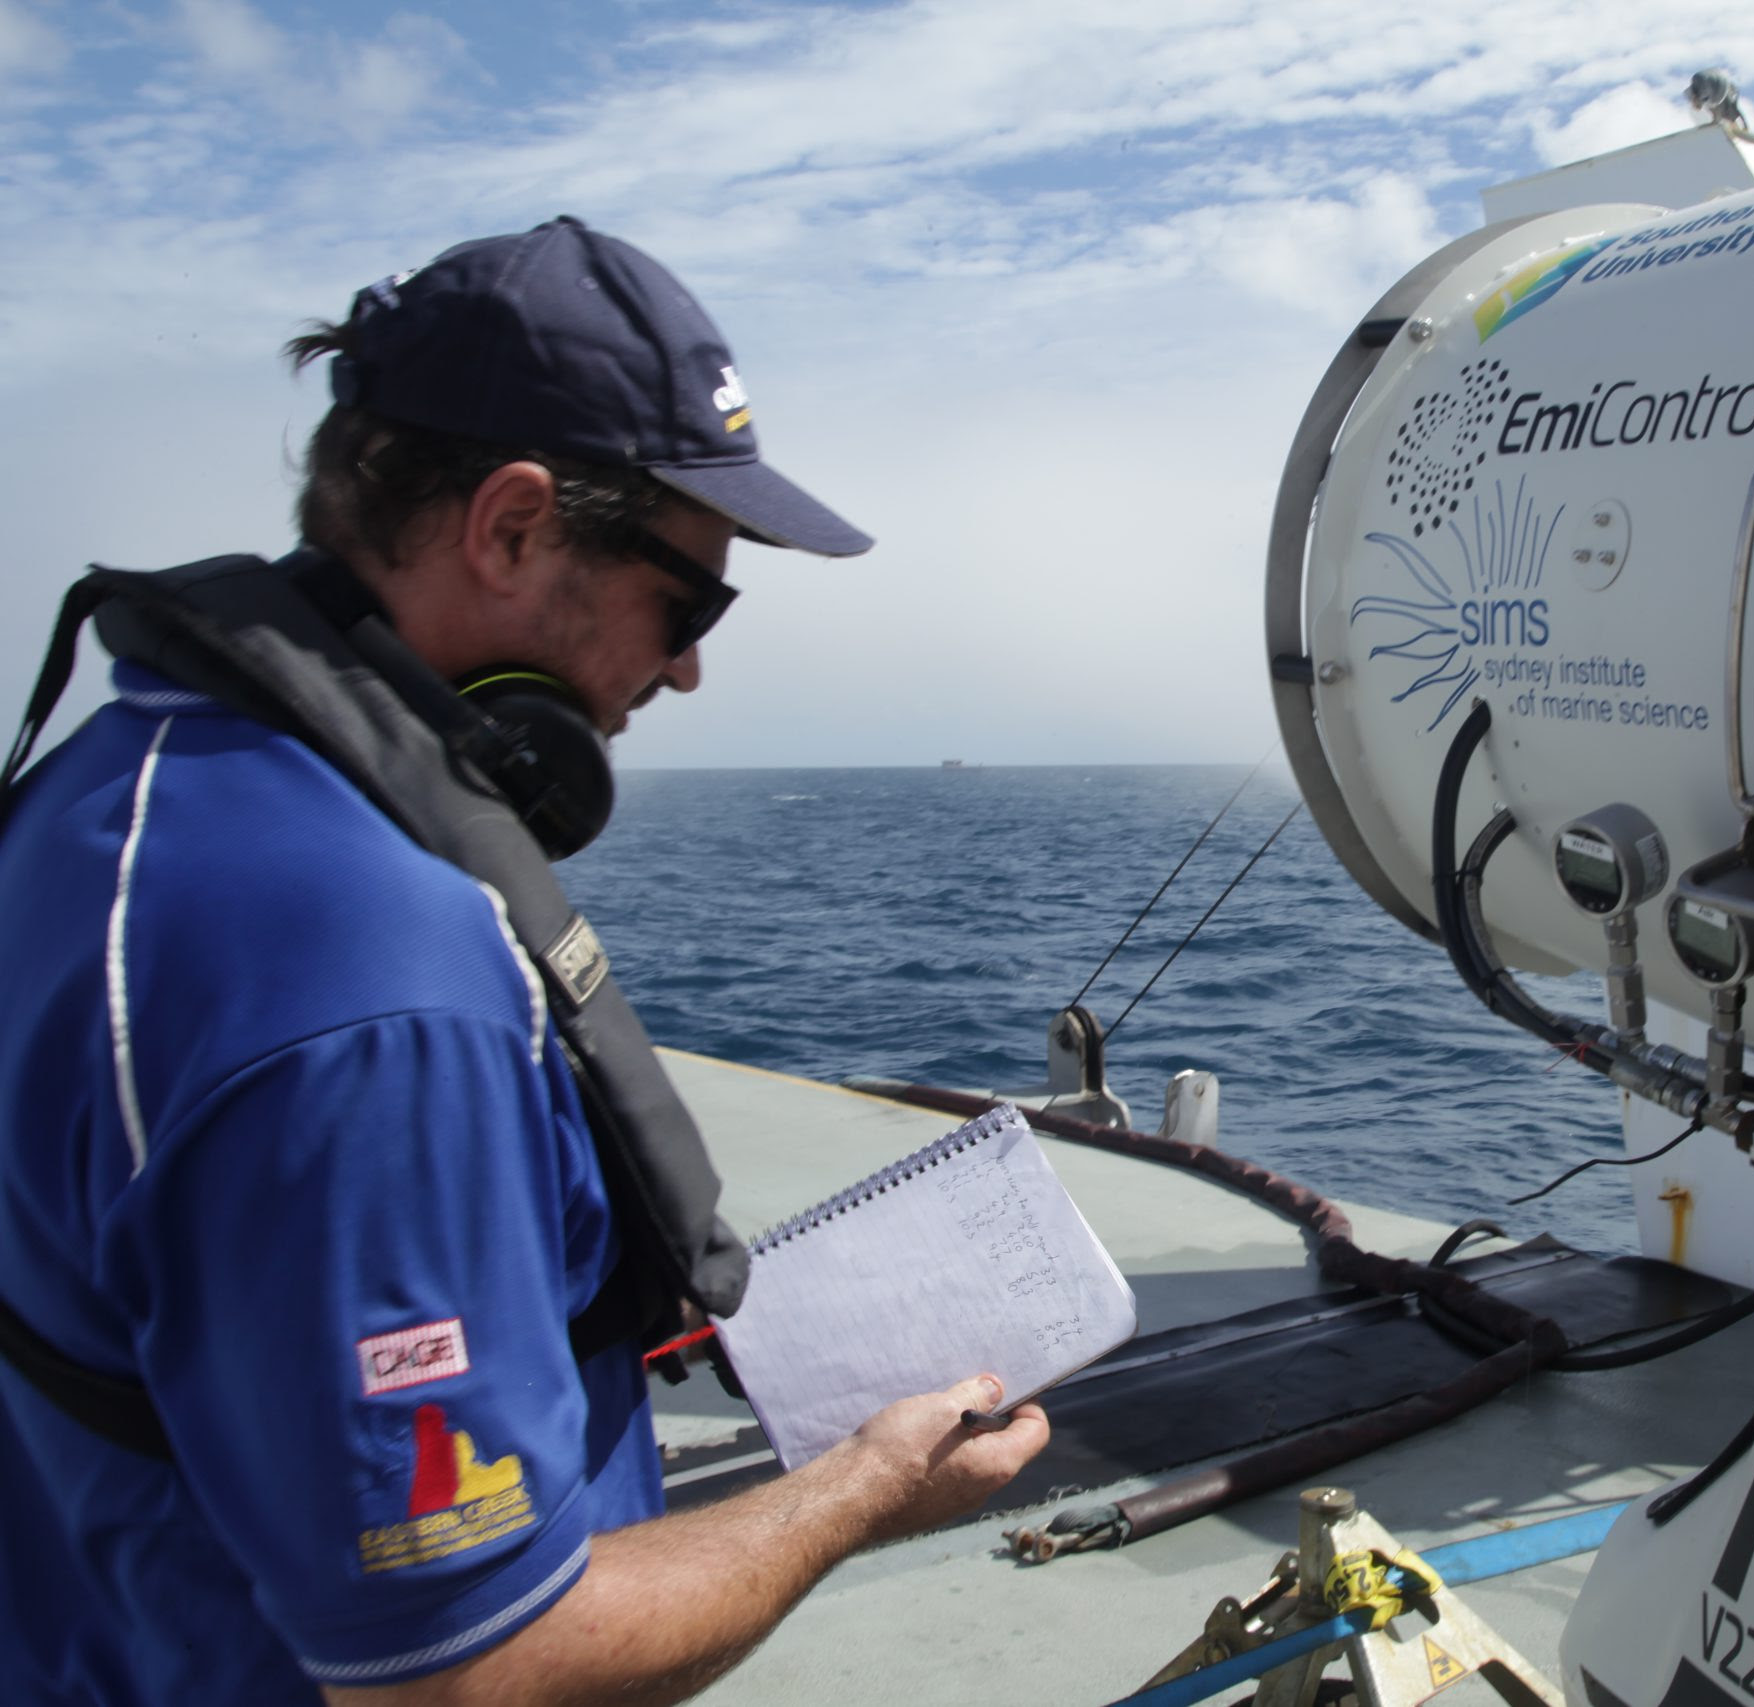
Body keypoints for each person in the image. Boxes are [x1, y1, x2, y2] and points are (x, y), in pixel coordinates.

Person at [0, 216, 1050, 1704]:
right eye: (687, 600)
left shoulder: (102, 794)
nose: (689, 664)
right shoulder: (366, 978)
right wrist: (868, 1489)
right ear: (508, 527)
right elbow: (466, 1673)